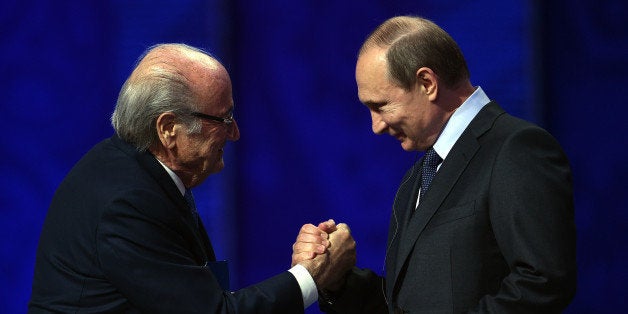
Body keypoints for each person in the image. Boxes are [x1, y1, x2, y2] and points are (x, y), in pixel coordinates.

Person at [29, 43, 356, 313]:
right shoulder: (128, 201)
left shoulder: (144, 174)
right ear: (169, 129)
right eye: (224, 119)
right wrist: (312, 275)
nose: (236, 133)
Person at [292, 16, 577, 313]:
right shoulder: (419, 174)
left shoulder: (516, 149)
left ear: (427, 83)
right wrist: (337, 280)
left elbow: (542, 282)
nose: (375, 126)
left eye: (380, 106)